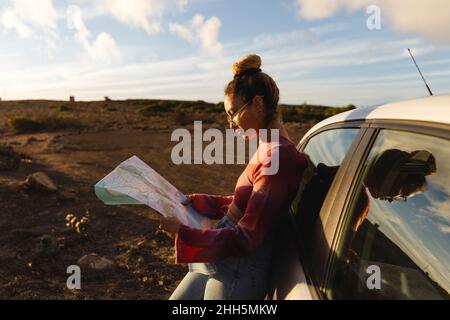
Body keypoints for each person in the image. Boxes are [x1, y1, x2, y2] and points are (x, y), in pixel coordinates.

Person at [159, 54, 308, 300]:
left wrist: (183, 233)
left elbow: (247, 237)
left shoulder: (280, 158)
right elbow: (249, 203)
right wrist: (201, 201)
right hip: (222, 256)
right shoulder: (268, 148)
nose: (231, 125)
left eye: (233, 113)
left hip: (237, 268)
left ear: (258, 104)